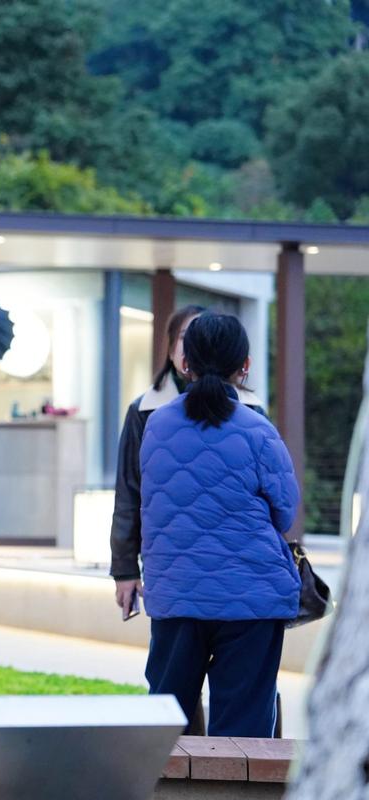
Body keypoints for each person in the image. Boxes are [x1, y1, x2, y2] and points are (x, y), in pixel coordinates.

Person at [138, 312, 299, 737]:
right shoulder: (259, 431)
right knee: (243, 733)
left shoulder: (156, 426)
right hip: (252, 598)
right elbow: (285, 512)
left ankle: (167, 786)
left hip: (176, 594)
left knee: (167, 728)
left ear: (184, 363)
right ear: (244, 366)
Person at [110, 305, 266, 615]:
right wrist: (125, 568)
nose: (194, 343)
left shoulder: (253, 412)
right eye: (186, 335)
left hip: (240, 570)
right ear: (172, 351)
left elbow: (275, 500)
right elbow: (129, 492)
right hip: (172, 572)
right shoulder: (144, 412)